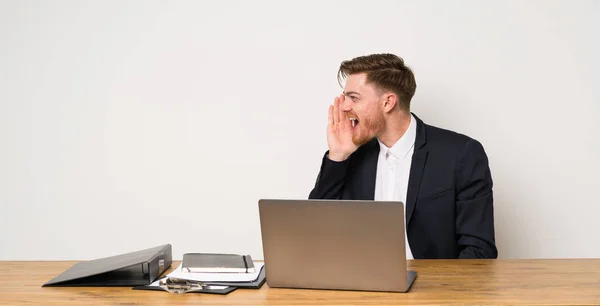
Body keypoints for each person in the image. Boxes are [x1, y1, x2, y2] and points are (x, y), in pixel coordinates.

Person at [308, 53, 497, 259]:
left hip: (434, 287)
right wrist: (338, 156)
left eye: (354, 98)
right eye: (345, 97)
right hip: (361, 285)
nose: (344, 106)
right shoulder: (352, 155)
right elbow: (315, 230)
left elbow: (479, 252)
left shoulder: (461, 154)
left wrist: (439, 289)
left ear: (388, 102)